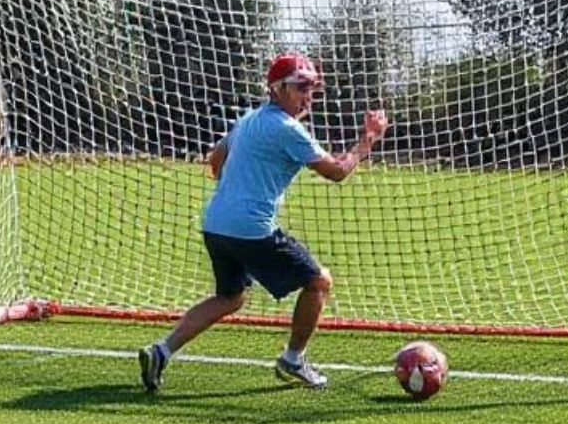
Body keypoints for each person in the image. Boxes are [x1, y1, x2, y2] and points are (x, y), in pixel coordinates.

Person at [139, 52, 388, 392]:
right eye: (301, 87)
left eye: (312, 88)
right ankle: (293, 359)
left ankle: (162, 350)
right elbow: (336, 171)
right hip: (250, 228)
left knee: (231, 297)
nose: (308, 95)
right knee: (319, 282)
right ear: (277, 89)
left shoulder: (249, 119)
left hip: (216, 223)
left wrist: (240, 183)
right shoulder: (288, 129)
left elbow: (215, 161)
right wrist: (367, 140)